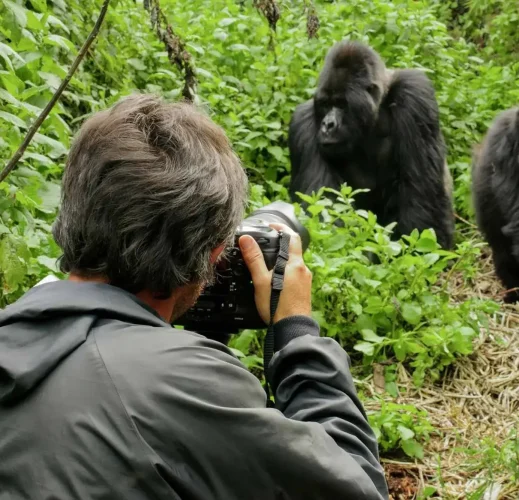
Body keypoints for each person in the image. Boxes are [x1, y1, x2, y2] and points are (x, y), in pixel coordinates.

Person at [0, 94, 389, 500]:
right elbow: (357, 487)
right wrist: (297, 332)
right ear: (213, 256)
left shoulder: (14, 336)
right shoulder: (180, 384)